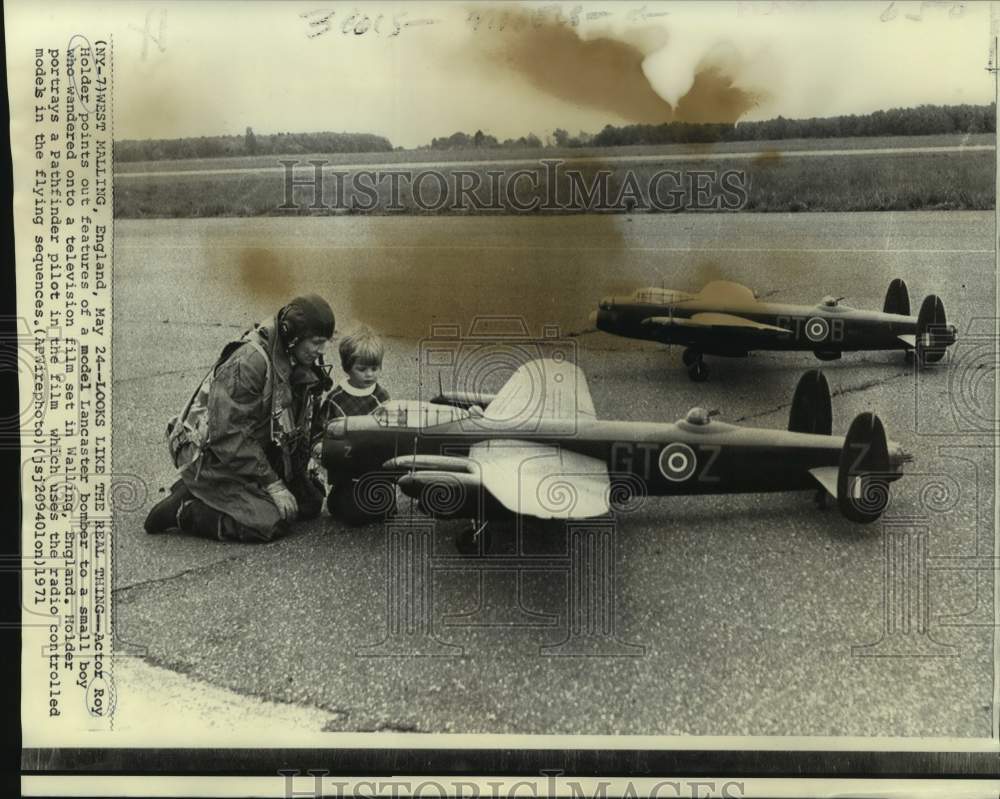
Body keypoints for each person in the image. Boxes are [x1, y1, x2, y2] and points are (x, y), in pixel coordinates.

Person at [144, 295, 335, 542]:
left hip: (250, 445)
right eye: (317, 342)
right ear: (293, 335)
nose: (322, 350)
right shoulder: (249, 362)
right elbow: (228, 435)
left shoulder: (291, 352)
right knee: (268, 522)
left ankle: (203, 493)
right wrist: (273, 484)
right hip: (210, 455)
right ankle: (184, 510)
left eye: (325, 341)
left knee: (309, 504)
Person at [312, 326, 392, 523]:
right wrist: (320, 447)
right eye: (362, 369)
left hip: (375, 468)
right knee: (350, 513)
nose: (369, 375)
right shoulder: (336, 399)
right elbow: (319, 431)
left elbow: (393, 430)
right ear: (348, 367)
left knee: (382, 508)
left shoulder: (382, 397)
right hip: (345, 469)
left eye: (375, 368)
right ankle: (341, 498)